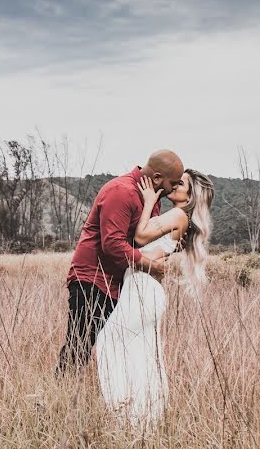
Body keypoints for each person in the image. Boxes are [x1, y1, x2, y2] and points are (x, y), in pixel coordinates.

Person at [95, 168, 214, 427]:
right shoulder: (180, 217)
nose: (173, 185)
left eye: (180, 184)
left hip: (143, 289)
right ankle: (141, 417)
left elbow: (139, 237)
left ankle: (127, 415)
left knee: (109, 341)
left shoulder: (177, 214)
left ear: (190, 194)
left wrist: (148, 201)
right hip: (143, 288)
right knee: (141, 353)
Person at [56, 150, 185, 376]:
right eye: (172, 183)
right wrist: (150, 265)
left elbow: (138, 239)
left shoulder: (151, 199)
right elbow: (113, 244)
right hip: (93, 281)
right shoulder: (121, 191)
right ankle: (52, 402)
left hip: (118, 284)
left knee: (114, 347)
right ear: (156, 178)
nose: (174, 188)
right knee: (79, 348)